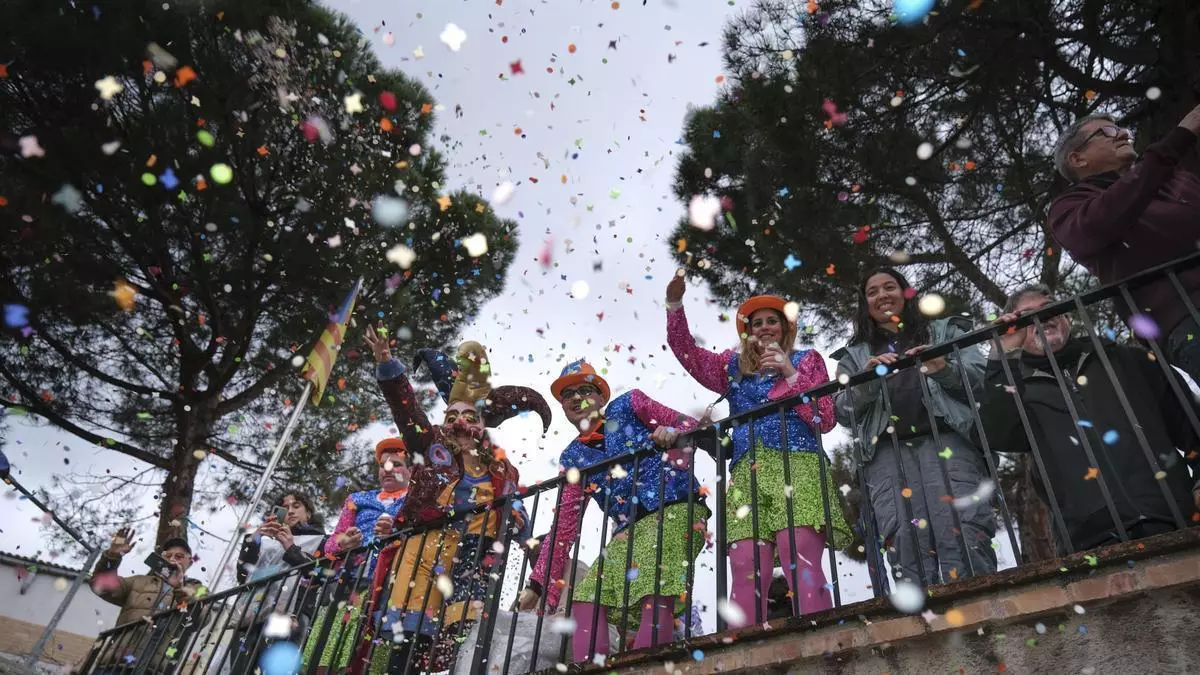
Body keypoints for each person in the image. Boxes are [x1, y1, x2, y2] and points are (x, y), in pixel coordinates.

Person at [664, 273, 848, 623]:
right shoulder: (731, 368)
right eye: (756, 323)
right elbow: (686, 351)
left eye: (771, 321)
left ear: (785, 328)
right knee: (745, 565)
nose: (764, 328)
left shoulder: (807, 360)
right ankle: (746, 645)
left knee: (800, 556)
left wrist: (790, 373)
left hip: (799, 466)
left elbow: (823, 418)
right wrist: (674, 305)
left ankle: (820, 635)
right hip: (746, 474)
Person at [366, 329, 549, 673]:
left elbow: (518, 513)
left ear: (483, 425)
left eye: (469, 417)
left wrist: (535, 558)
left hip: (471, 558)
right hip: (422, 551)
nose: (459, 423)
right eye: (451, 417)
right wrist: (387, 365)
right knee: (409, 639)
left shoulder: (502, 468)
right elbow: (406, 411)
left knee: (463, 636)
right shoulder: (431, 445)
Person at [979, 285, 1200, 553]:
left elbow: (1190, 419)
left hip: (1174, 520)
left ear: (1067, 318)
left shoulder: (1125, 359)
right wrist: (1003, 355)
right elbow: (996, 433)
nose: (1042, 317)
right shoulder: (1017, 391)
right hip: (1090, 543)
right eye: (1026, 316)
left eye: (1049, 308)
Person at [516, 359, 709, 662]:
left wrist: (672, 433)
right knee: (585, 599)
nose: (576, 398)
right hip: (627, 532)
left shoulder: (629, 404)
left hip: (676, 508)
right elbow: (563, 527)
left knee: (654, 593)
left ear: (601, 397)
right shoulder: (573, 456)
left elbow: (689, 425)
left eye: (585, 390)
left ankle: (643, 669)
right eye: (567, 394)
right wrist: (537, 586)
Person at [832, 268, 996, 587]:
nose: (882, 295)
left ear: (906, 293)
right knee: (903, 536)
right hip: (885, 452)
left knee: (961, 527)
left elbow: (980, 381)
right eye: (872, 292)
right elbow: (842, 412)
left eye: (889, 287)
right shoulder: (854, 356)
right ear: (865, 305)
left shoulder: (944, 331)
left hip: (947, 439)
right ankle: (922, 613)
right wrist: (866, 382)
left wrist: (943, 368)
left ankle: (980, 605)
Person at [1048, 105, 1200, 382]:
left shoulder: (1179, 179)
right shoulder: (1069, 206)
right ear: (1078, 158)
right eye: (1106, 132)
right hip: (1186, 319)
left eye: (1121, 128)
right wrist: (1176, 140)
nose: (1122, 135)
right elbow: (1097, 225)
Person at [302, 438, 410, 675]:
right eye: (383, 465)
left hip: (392, 588)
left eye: (396, 464)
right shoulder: (357, 499)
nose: (387, 470)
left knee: (372, 662)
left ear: (411, 470)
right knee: (324, 658)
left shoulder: (415, 500)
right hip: (349, 585)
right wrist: (344, 542)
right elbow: (330, 544)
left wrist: (396, 534)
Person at [230, 492, 327, 672]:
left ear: (308, 514)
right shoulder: (262, 540)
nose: (290, 511)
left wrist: (291, 548)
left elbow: (320, 575)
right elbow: (242, 575)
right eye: (285, 508)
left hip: (290, 614)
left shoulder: (321, 540)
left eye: (296, 506)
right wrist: (255, 540)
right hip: (250, 615)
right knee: (239, 669)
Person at [89, 533, 203, 674]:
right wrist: (111, 557)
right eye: (168, 556)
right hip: (115, 664)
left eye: (179, 556)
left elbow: (202, 618)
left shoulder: (197, 589)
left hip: (155, 669)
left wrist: (180, 590)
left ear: (190, 562)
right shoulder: (139, 581)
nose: (172, 559)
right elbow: (101, 586)